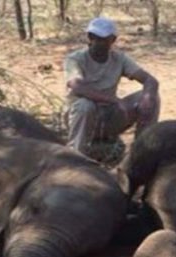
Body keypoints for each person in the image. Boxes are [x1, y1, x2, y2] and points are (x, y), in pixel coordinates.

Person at [64, 17, 160, 156]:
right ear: (89, 38)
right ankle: (76, 155)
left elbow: (150, 80)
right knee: (85, 105)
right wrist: (114, 100)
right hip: (81, 117)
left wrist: (147, 97)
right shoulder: (75, 59)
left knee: (151, 97)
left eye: (104, 39)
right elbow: (77, 86)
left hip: (109, 115)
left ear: (113, 40)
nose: (99, 43)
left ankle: (141, 151)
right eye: (95, 38)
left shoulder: (119, 58)